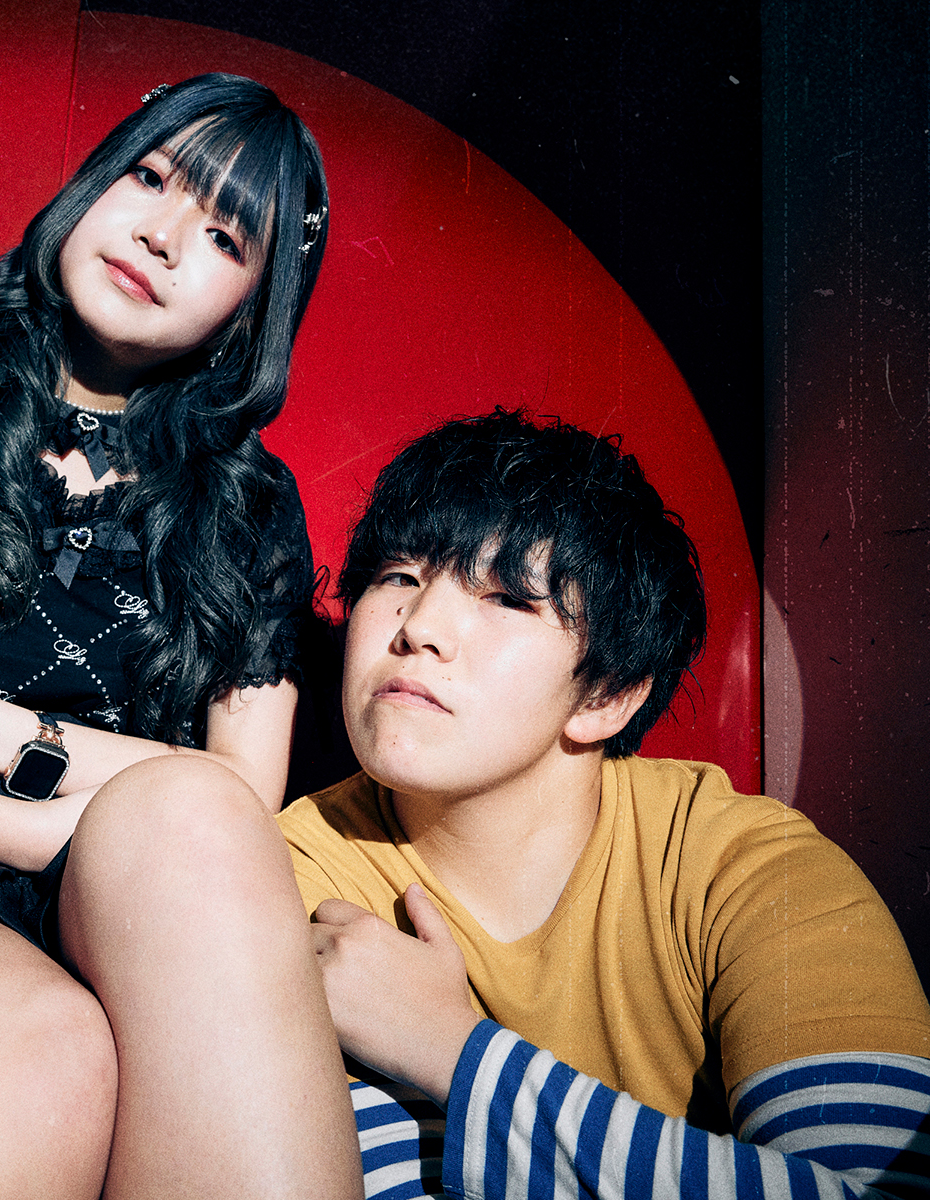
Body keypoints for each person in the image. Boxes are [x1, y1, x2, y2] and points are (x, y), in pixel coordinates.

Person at [0, 74, 362, 1199]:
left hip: (126, 892)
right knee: (38, 1054)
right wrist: (61, 818)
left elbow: (234, 806)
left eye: (224, 237)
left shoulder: (250, 509)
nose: (162, 235)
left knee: (194, 824)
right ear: (92, 183)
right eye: (148, 178)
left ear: (255, 305)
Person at [282, 408, 930, 1197]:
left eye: (507, 597)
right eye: (399, 578)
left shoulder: (747, 870)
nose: (419, 627)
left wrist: (452, 1051)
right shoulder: (285, 877)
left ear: (608, 696)